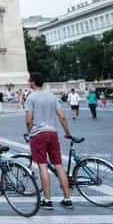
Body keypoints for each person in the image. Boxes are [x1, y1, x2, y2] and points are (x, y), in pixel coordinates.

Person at [25, 72, 74, 211]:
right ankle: (67, 199)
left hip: (38, 134)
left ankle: (47, 200)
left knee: (42, 166)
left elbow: (29, 119)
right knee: (59, 165)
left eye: (29, 81)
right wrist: (67, 133)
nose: (28, 83)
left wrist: (30, 132)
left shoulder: (31, 97)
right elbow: (62, 117)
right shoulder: (52, 97)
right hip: (52, 133)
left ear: (33, 82)